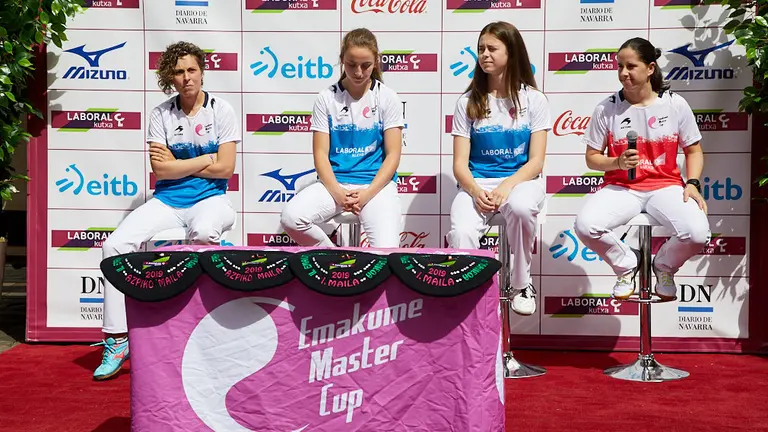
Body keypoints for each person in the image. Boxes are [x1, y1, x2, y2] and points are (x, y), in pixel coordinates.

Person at [93, 41, 239, 380]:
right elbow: (161, 172)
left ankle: (207, 333)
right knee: (113, 246)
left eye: (191, 70)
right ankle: (116, 339)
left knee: (202, 234)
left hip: (211, 201)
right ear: (169, 78)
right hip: (168, 201)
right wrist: (204, 159)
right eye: (178, 72)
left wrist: (181, 163)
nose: (186, 77)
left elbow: (226, 169)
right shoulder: (161, 114)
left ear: (202, 71)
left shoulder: (222, 110)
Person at [574, 37, 710, 301]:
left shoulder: (675, 104)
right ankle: (626, 265)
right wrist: (617, 162)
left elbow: (693, 151)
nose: (623, 73)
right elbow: (592, 158)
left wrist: (692, 183)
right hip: (621, 187)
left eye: (631, 66)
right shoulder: (606, 108)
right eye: (620, 66)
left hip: (666, 186)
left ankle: (663, 266)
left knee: (697, 233)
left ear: (650, 68)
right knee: (586, 225)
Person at [446, 21, 550, 316]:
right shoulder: (467, 101)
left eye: (492, 48)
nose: (484, 54)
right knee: (463, 231)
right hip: (477, 184)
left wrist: (506, 186)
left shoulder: (534, 99)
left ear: (511, 53)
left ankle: (521, 283)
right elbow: (459, 164)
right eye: (481, 49)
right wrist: (477, 190)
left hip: (521, 181)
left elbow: (536, 162)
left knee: (519, 207)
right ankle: (469, 296)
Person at [280, 28, 404, 247]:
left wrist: (366, 194)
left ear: (376, 62)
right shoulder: (326, 98)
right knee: (291, 218)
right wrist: (337, 192)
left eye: (365, 65)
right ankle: (333, 259)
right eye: (351, 64)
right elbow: (320, 154)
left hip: (376, 187)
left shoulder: (387, 97)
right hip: (334, 184)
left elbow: (393, 155)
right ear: (341, 61)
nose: (358, 71)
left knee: (386, 252)